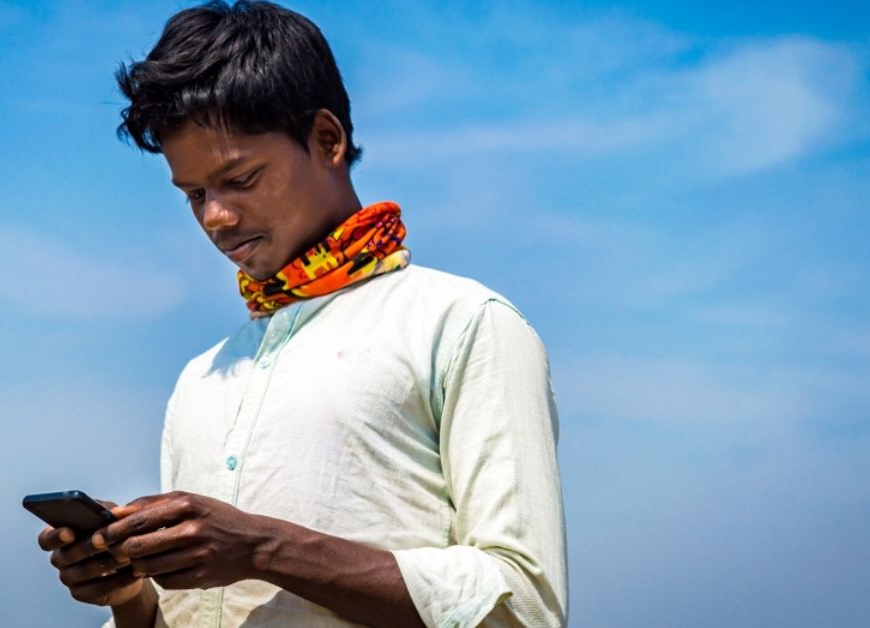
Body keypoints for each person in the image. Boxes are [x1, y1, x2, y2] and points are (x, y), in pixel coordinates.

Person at [36, 2, 567, 626]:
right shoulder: (202, 378)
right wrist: (129, 592)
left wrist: (263, 548)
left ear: (327, 139)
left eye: (241, 178)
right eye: (195, 194)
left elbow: (522, 603)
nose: (216, 218)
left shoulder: (463, 325)